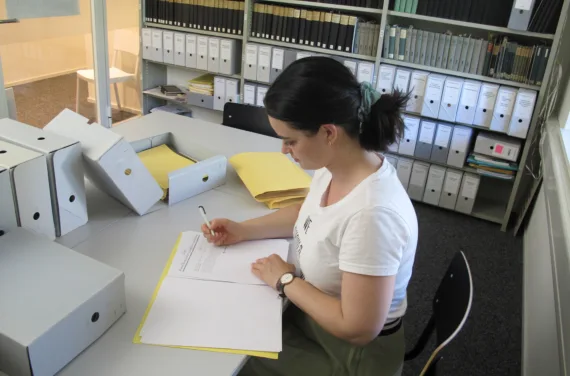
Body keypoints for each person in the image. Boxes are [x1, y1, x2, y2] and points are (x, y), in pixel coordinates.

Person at [201, 57, 418, 376]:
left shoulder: (372, 216)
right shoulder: (336, 166)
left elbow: (358, 329)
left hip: (351, 356)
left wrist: (286, 280)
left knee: (223, 352)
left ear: (328, 132)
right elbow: (308, 215)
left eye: (290, 140)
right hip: (314, 318)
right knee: (223, 320)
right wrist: (243, 230)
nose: (284, 151)